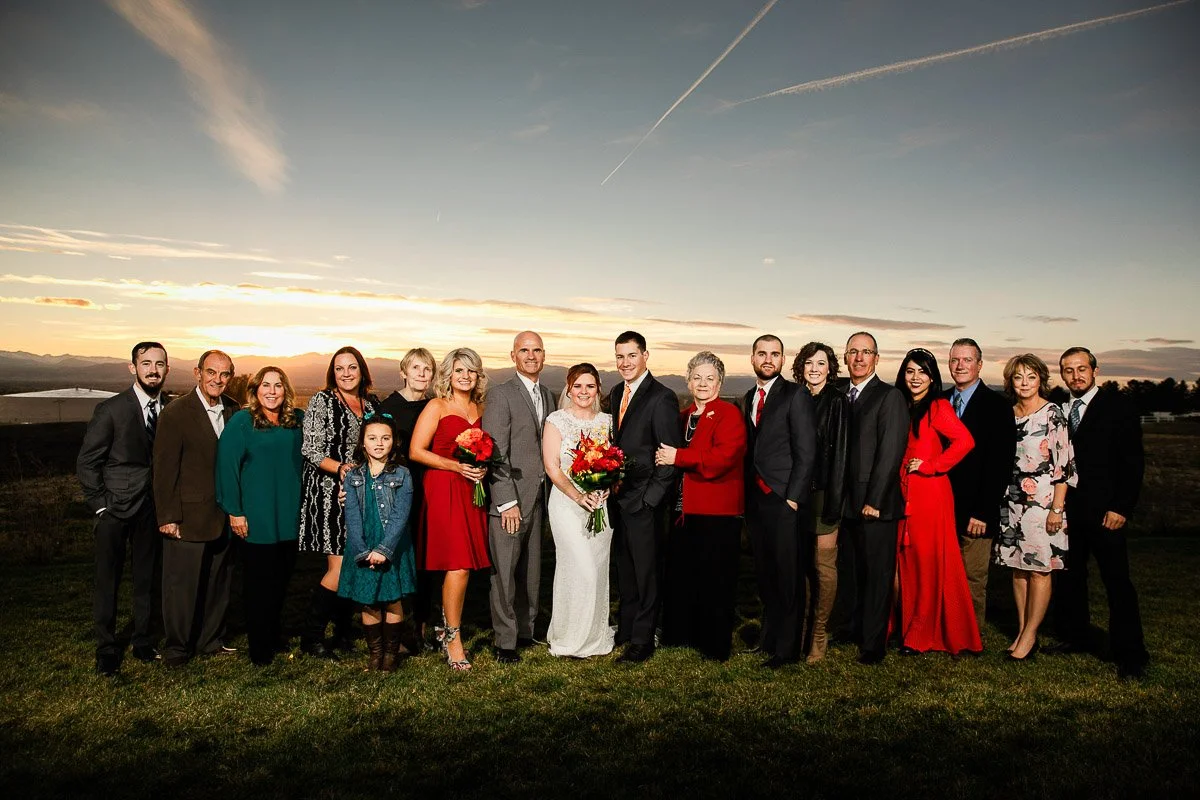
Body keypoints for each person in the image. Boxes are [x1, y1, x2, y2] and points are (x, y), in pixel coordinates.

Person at [1051, 347, 1148, 679]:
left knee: (1117, 582)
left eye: (1081, 369)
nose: (1075, 375)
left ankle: (1131, 653)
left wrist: (1121, 506)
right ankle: (1076, 636)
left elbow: (1133, 461)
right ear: (1062, 374)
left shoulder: (1117, 407)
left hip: (1106, 511)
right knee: (1071, 577)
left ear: (1095, 370)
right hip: (1069, 511)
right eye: (1068, 370)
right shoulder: (1060, 409)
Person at [77, 342, 170, 676]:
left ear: (167, 370)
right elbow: (87, 463)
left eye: (160, 364)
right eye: (146, 363)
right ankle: (106, 648)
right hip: (114, 510)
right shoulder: (112, 409)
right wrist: (100, 506)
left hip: (151, 508)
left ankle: (144, 641)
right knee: (108, 580)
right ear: (133, 367)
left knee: (147, 579)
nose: (153, 370)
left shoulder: (169, 409)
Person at [655, 352, 746, 661]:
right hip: (684, 511)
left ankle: (715, 645)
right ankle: (681, 635)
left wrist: (677, 457)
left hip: (717, 511)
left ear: (720, 382)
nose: (703, 383)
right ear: (688, 381)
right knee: (683, 577)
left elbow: (723, 459)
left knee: (715, 581)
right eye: (697, 377)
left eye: (710, 378)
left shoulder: (728, 414)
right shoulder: (683, 416)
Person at [152, 350, 239, 667]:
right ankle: (177, 647)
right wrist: (167, 516)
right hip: (187, 516)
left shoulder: (233, 410)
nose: (218, 379)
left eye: (225, 373)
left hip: (223, 514)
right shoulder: (176, 412)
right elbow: (164, 470)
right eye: (212, 372)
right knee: (181, 585)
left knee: (219, 582)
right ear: (197, 373)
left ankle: (210, 640)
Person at [892, 349, 981, 655]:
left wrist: (932, 465)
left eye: (923, 372)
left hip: (930, 494)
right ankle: (903, 626)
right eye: (910, 372)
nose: (916, 378)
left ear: (932, 377)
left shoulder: (938, 406)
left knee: (928, 564)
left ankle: (921, 634)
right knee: (906, 562)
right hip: (903, 493)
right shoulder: (900, 404)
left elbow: (965, 441)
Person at [410, 347, 492, 671]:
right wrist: (455, 466)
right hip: (443, 488)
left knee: (465, 566)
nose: (465, 376)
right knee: (457, 564)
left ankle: (445, 624)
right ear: (449, 374)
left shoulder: (482, 406)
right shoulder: (437, 406)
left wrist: (481, 467)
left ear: (478, 375)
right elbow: (416, 450)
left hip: (473, 491)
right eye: (459, 371)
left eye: (471, 371)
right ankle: (453, 639)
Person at [215, 366, 304, 666]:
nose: (272, 391)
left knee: (281, 583)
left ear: (286, 390)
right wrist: (234, 511)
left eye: (278, 385)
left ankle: (274, 634)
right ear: (255, 390)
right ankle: (259, 647)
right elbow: (226, 467)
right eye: (265, 385)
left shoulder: (296, 421)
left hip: (289, 517)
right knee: (258, 586)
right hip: (256, 518)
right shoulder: (243, 422)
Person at [994, 354, 1075, 662]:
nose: (1025, 383)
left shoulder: (1052, 413)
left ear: (1041, 379)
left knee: (1039, 569)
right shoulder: (1008, 413)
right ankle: (1022, 629)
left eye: (1031, 377)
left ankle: (1030, 635)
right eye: (1018, 377)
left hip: (1042, 503)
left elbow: (1064, 465)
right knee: (1018, 568)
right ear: (1010, 381)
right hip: (1011, 501)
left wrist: (1057, 509)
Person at [298, 346, 377, 658]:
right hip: (330, 492)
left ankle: (343, 632)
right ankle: (312, 636)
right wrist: (343, 469)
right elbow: (311, 449)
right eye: (340, 368)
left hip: (363, 492)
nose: (346, 373)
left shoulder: (372, 405)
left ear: (362, 372)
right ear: (333, 372)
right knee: (340, 565)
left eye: (352, 367)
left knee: (355, 564)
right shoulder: (323, 401)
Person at [742, 335, 816, 667]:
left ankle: (787, 650)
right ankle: (769, 639)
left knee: (788, 576)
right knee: (766, 574)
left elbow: (806, 451)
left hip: (784, 500)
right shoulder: (747, 398)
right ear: (753, 358)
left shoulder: (796, 394)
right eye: (762, 353)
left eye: (775, 354)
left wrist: (794, 499)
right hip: (756, 502)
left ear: (783, 360)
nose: (768, 359)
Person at [608, 331, 681, 663]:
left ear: (645, 356)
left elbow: (669, 457)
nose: (625, 363)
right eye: (620, 357)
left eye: (632, 356)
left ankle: (643, 641)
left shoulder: (661, 397)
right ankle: (627, 630)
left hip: (645, 503)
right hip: (620, 499)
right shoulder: (614, 393)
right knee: (626, 571)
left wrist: (650, 500)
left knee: (648, 574)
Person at [483, 332, 556, 663]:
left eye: (536, 350)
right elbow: (494, 452)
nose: (531, 355)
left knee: (531, 571)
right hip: (510, 501)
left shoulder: (548, 395)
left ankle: (526, 631)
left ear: (544, 355)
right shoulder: (501, 395)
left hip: (538, 497)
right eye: (524, 350)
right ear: (513, 355)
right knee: (505, 573)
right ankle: (505, 641)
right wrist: (505, 502)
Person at [840, 331, 909, 665]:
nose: (859, 358)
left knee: (878, 576)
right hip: (846, 501)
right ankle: (854, 628)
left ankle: (873, 644)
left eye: (866, 352)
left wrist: (876, 499)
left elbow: (890, 453)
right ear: (845, 357)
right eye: (853, 352)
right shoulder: (840, 392)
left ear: (877, 359)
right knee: (853, 572)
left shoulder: (889, 396)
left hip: (876, 503)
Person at [543, 363, 617, 658]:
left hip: (600, 504)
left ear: (598, 388)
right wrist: (577, 495)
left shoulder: (608, 422)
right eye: (578, 386)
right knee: (578, 568)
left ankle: (594, 635)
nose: (583, 392)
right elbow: (552, 466)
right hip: (566, 505)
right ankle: (569, 636)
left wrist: (609, 485)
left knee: (597, 569)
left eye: (590, 386)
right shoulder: (556, 421)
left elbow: (613, 462)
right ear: (568, 388)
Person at [944, 338, 1016, 632]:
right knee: (945, 571)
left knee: (972, 574)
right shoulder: (940, 400)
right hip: (942, 504)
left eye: (967, 360)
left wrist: (984, 511)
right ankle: (944, 628)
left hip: (976, 508)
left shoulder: (996, 406)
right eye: (954, 360)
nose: (960, 366)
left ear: (979, 365)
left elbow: (1000, 464)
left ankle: (970, 633)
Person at [338, 414, 417, 672]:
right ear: (362, 443)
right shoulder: (353, 476)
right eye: (372, 438)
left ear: (394, 442)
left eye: (385, 438)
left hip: (392, 545)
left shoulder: (403, 474)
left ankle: (391, 655)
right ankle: (375, 653)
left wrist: (384, 550)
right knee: (368, 601)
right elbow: (351, 515)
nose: (379, 443)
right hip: (362, 544)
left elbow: (400, 516)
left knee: (392, 599)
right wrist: (361, 551)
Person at [792, 342, 849, 663]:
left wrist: (835, 500)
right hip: (797, 493)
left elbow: (840, 454)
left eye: (822, 363)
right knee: (800, 564)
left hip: (825, 493)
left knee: (823, 566)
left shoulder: (838, 402)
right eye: (809, 363)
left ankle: (818, 633)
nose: (815, 368)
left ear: (830, 369)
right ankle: (800, 628)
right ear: (801, 367)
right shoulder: (794, 398)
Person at [379, 348, 438, 650]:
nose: (421, 374)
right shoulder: (389, 408)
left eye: (427, 369)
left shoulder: (434, 406)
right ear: (403, 372)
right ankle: (396, 631)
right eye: (415, 368)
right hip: (398, 492)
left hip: (430, 490)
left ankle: (422, 629)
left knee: (426, 561)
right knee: (399, 560)